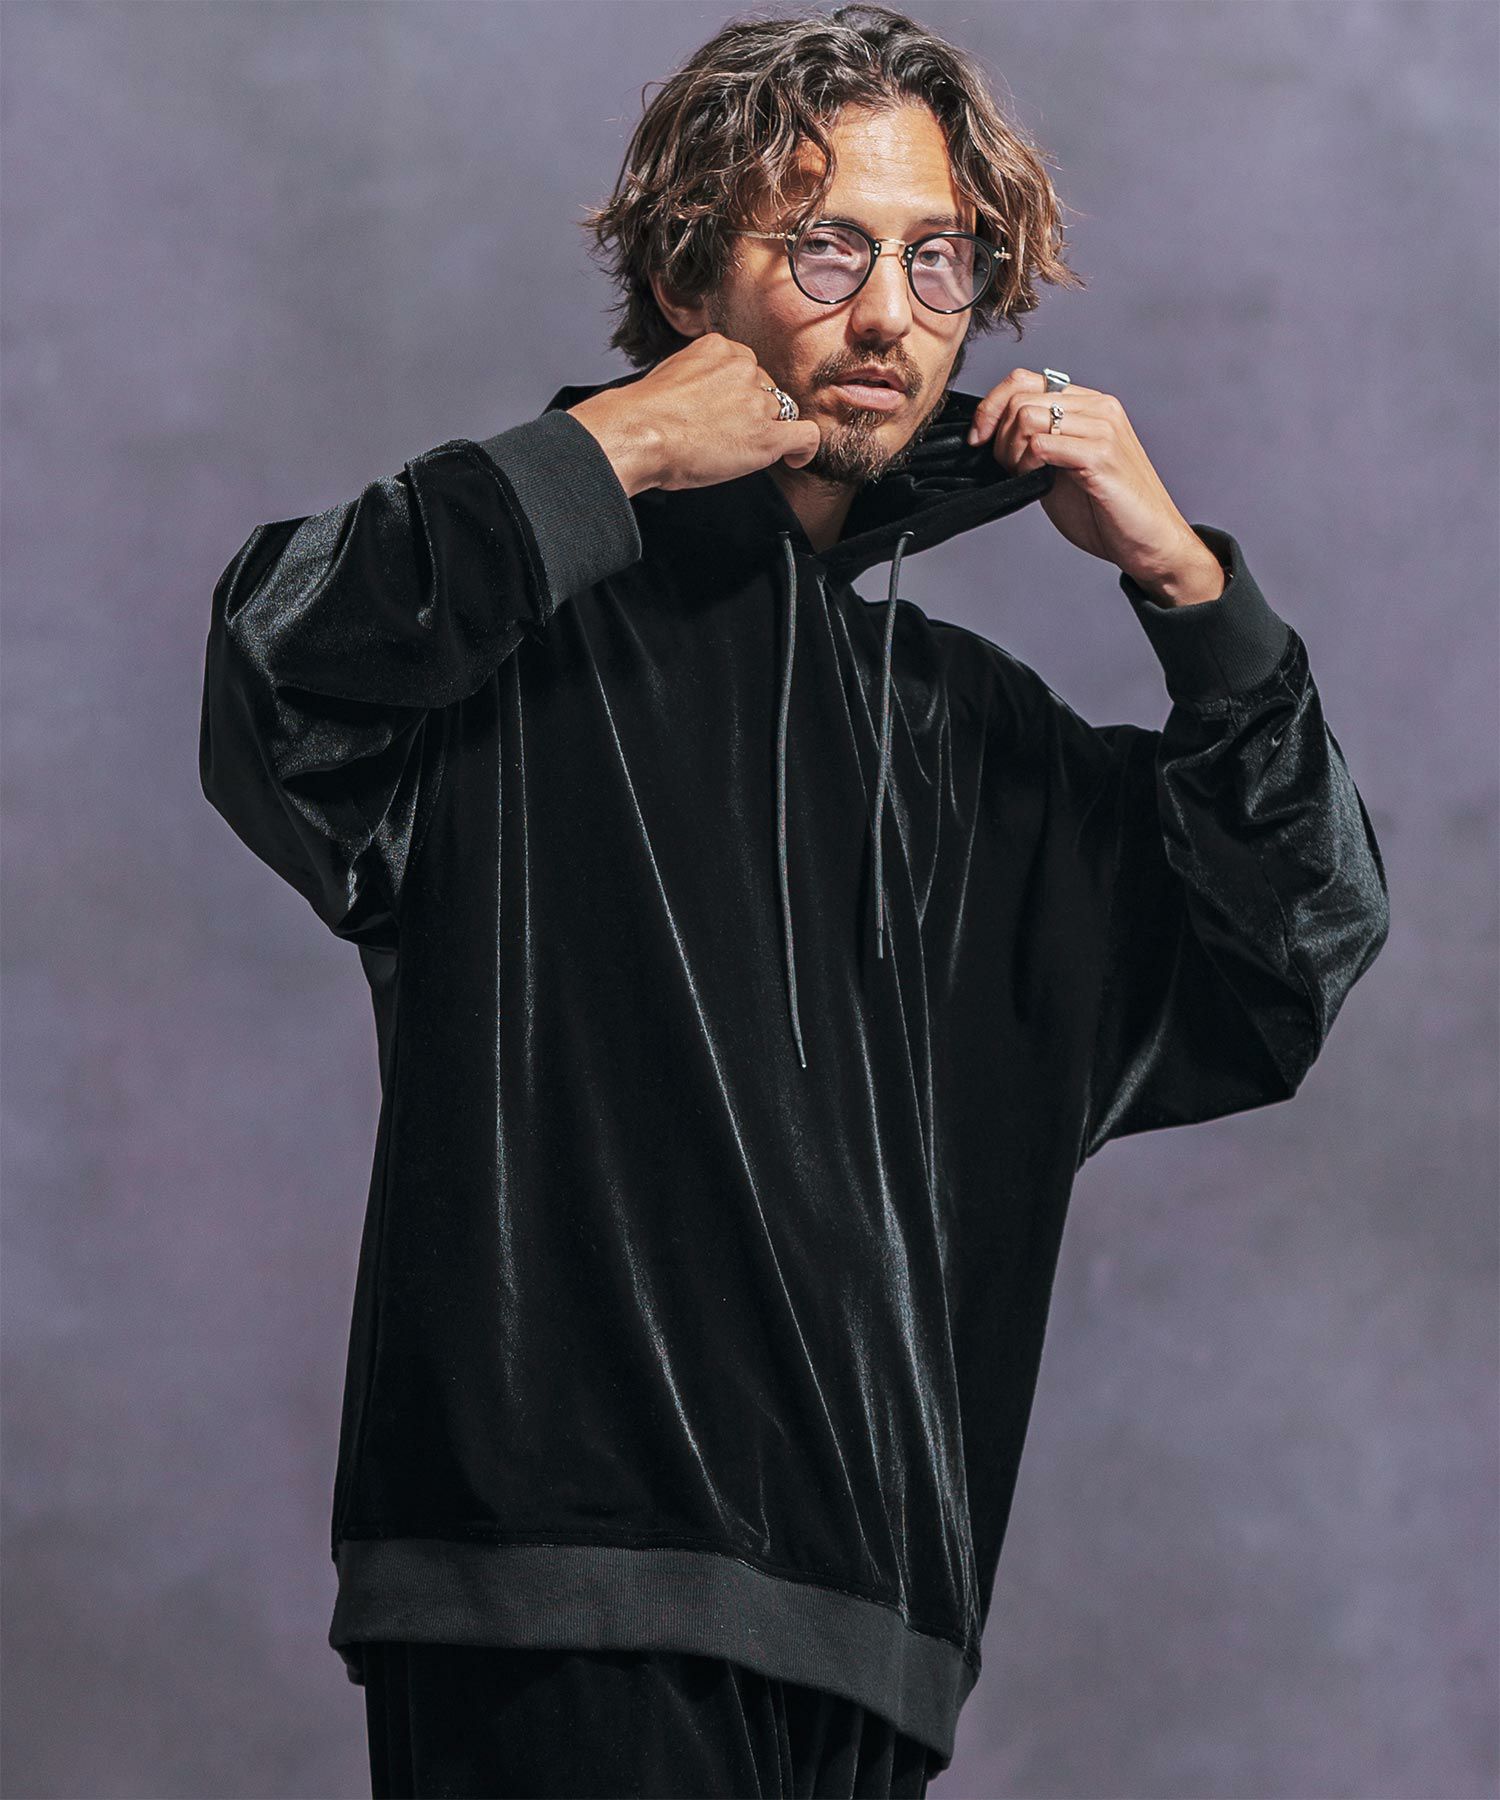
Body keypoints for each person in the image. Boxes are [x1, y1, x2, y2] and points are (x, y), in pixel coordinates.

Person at [197, 5, 1391, 1795]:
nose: (891, 312)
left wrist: (1189, 590)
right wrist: (610, 452)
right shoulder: (514, 647)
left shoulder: (973, 746)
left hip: (872, 1651)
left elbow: (1291, 951)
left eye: (937, 259)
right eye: (827, 247)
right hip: (555, 1605)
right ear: (693, 273)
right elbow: (281, 667)